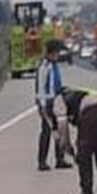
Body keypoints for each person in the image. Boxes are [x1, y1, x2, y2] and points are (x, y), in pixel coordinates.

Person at [35, 39, 71, 172]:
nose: (58, 55)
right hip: (47, 102)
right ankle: (42, 161)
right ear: (52, 52)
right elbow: (41, 88)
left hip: (56, 101)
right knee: (46, 132)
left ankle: (59, 159)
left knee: (59, 130)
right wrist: (42, 106)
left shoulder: (54, 65)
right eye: (57, 52)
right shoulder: (45, 66)